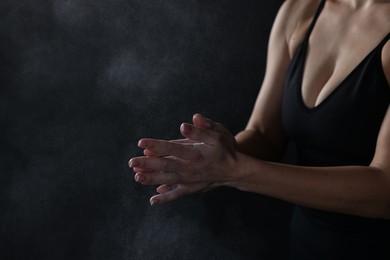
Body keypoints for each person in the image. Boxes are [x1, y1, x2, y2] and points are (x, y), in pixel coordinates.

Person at [129, 0, 390, 258]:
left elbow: (384, 191)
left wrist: (235, 171)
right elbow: (265, 135)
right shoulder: (301, 9)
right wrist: (208, 159)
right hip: (305, 244)